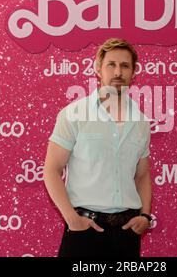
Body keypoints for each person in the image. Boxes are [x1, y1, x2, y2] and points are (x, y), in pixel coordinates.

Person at [43, 38, 153, 258]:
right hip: (83, 229)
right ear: (98, 69)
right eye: (111, 64)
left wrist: (145, 217)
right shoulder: (74, 114)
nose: (118, 72)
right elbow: (51, 170)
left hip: (126, 233)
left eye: (125, 66)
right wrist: (71, 219)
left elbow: (142, 176)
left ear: (133, 72)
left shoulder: (141, 123)